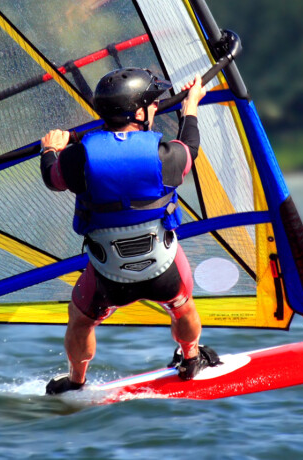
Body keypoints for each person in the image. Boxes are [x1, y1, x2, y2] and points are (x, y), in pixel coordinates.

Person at [40, 67, 220, 395]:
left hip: (108, 277)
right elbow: (189, 148)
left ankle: (76, 382)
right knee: (183, 305)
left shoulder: (79, 157)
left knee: (80, 320)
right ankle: (191, 357)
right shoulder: (161, 154)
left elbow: (52, 179)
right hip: (163, 270)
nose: (155, 108)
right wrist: (190, 105)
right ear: (138, 112)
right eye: (151, 104)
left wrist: (52, 149)